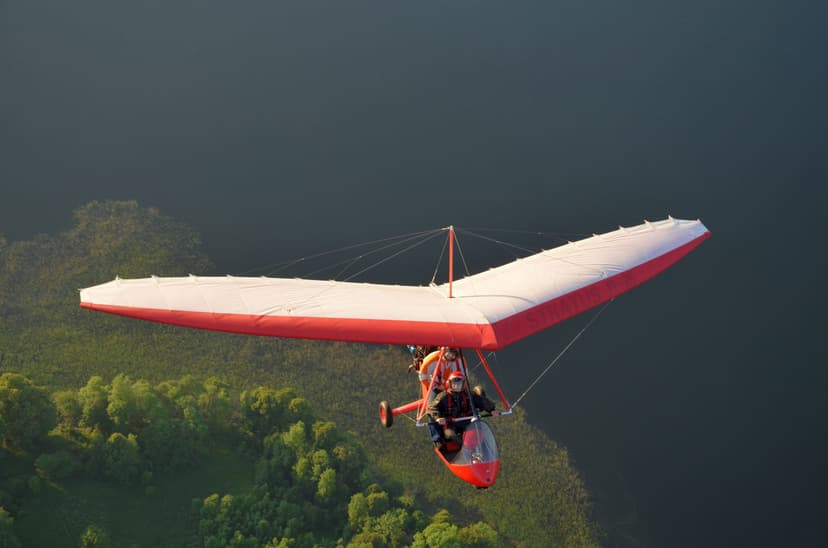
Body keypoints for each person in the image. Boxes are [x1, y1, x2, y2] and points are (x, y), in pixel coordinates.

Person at [427, 371, 499, 449]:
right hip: (451, 423)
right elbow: (432, 408)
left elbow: (481, 401)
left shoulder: (469, 394)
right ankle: (464, 447)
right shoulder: (443, 396)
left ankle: (480, 446)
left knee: (479, 432)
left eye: (459, 384)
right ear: (450, 384)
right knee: (450, 435)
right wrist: (437, 418)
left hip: (467, 421)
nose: (457, 386)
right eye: (454, 384)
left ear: (463, 384)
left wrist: (491, 410)